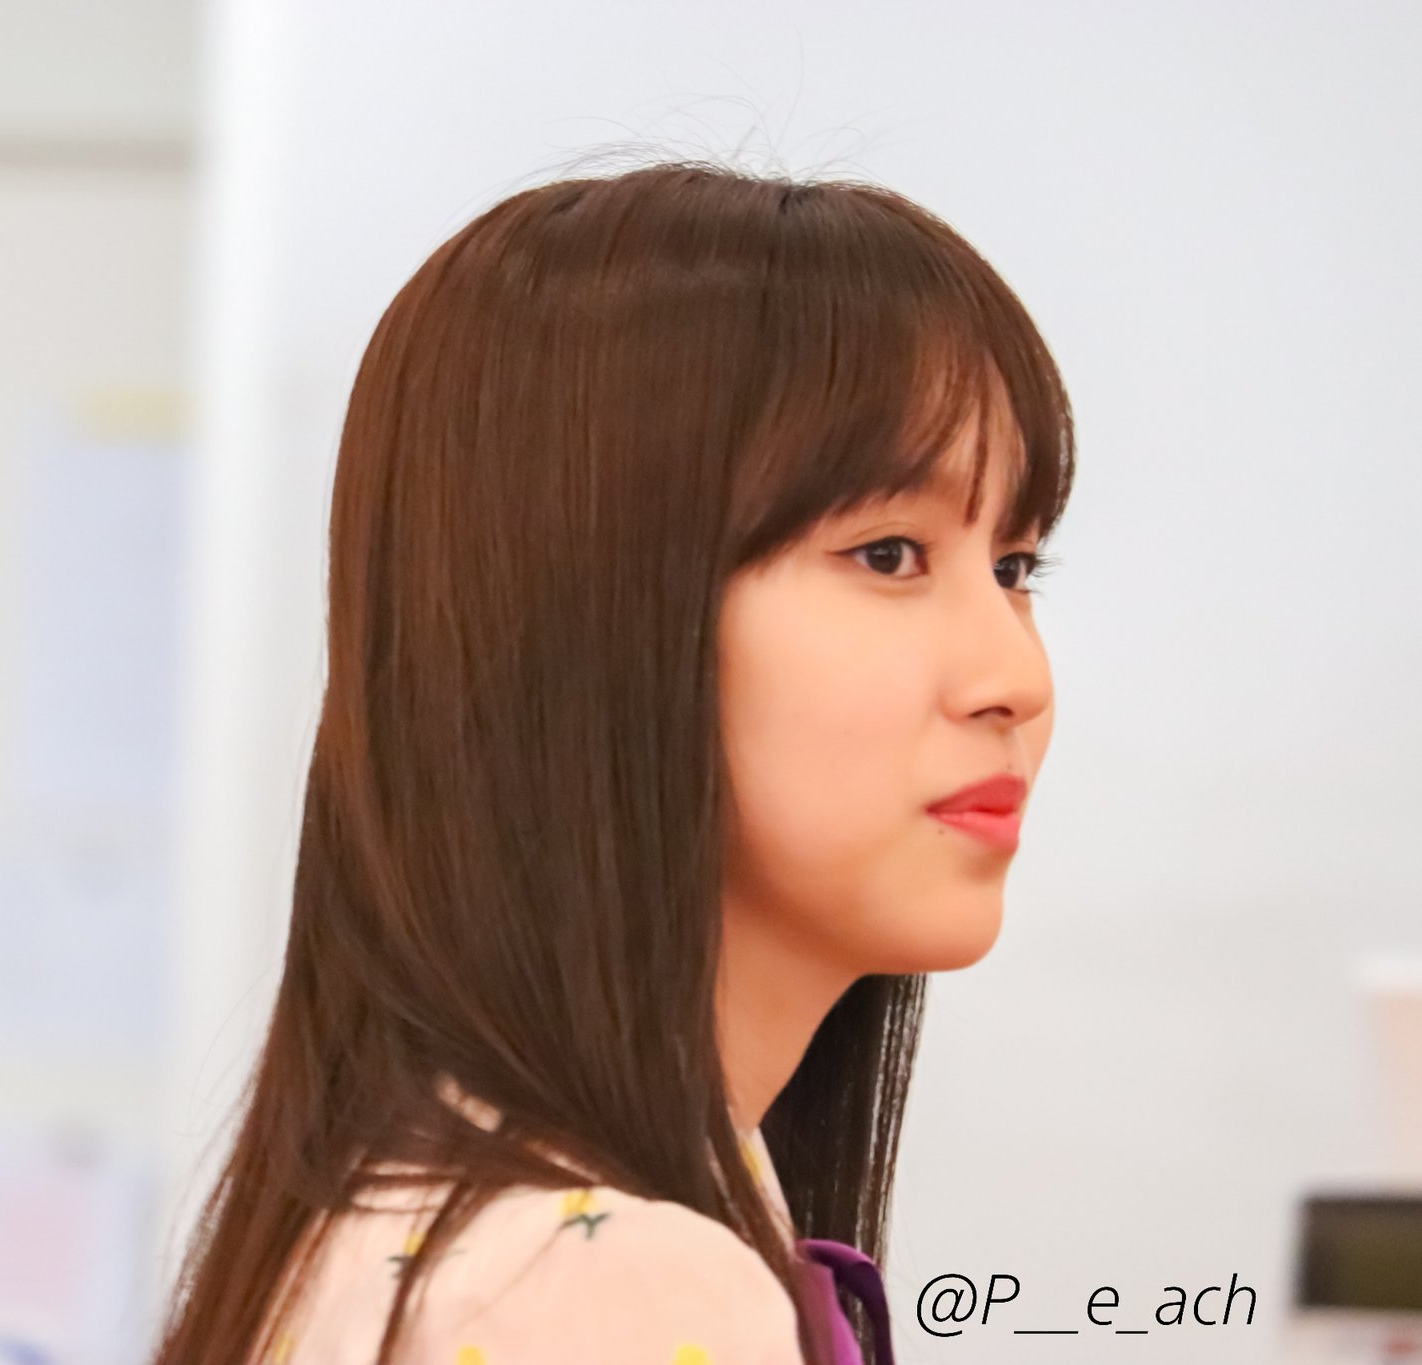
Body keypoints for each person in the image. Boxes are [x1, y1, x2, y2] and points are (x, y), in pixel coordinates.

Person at [151, 159, 1075, 1365]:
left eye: (1013, 568)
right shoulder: (602, 1288)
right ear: (589, 617)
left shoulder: (438, 1231)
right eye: (888, 554)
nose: (1013, 678)